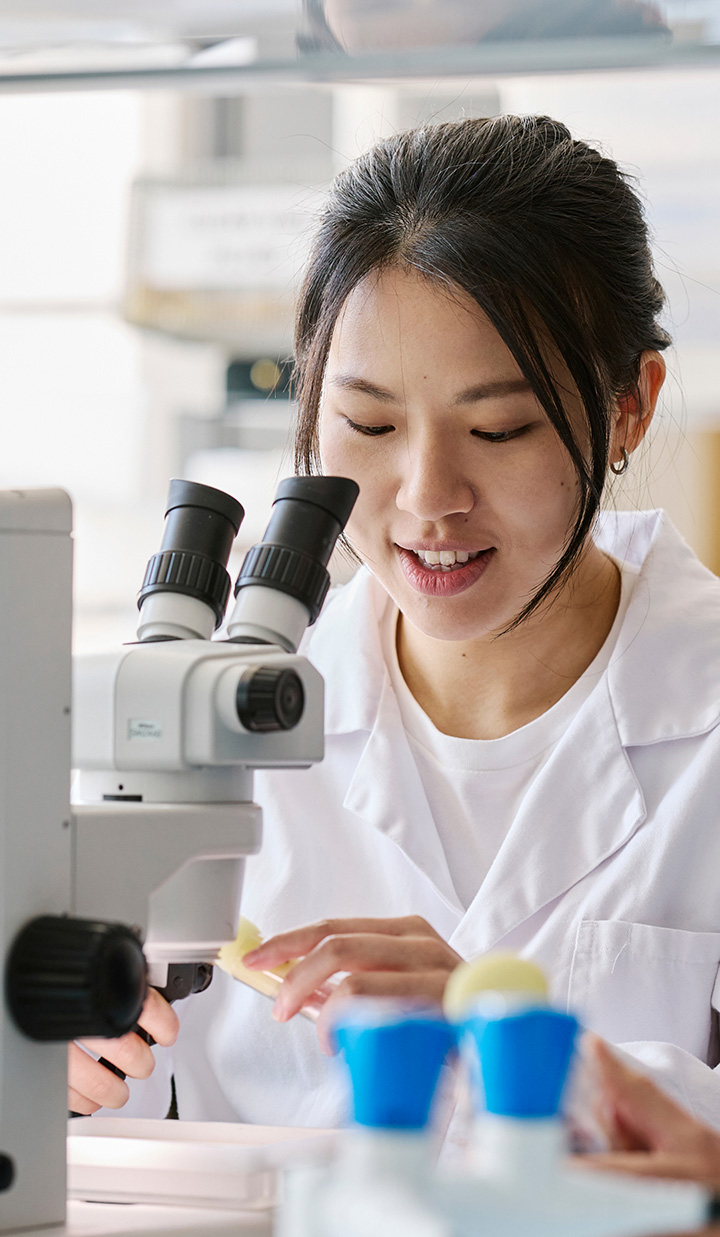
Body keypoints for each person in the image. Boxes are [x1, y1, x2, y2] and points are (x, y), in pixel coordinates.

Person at [69, 115, 720, 1136]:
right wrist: (63, 1067)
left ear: (631, 405)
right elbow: (128, 1126)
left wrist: (510, 1042)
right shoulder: (213, 731)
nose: (427, 500)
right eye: (368, 425)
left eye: (500, 428)